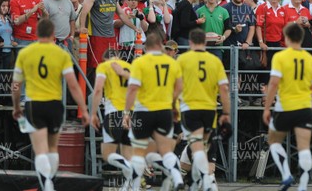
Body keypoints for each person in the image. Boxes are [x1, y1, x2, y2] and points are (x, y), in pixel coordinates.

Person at [12, 19, 89, 191]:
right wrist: (83, 109)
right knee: (53, 147)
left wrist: (16, 106)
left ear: (37, 33)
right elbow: (73, 84)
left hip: (34, 104)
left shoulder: (26, 53)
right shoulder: (61, 53)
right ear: (53, 33)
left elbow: (16, 85)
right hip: (54, 104)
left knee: (40, 149)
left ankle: (46, 182)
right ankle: (51, 181)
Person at [122, 33, 184, 191]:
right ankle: (177, 178)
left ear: (145, 47)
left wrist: (126, 112)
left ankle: (133, 187)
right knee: (166, 150)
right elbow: (180, 87)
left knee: (138, 151)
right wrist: (173, 103)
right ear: (161, 46)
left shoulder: (140, 62)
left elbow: (133, 88)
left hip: (144, 111)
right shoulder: (171, 63)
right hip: (165, 111)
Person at [263, 23, 312, 191]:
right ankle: (302, 186)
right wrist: (311, 108)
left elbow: (273, 83)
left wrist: (266, 108)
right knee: (304, 146)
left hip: (284, 107)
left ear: (286, 38)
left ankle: (286, 174)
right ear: (301, 38)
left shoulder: (280, 57)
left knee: (273, 141)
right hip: (304, 107)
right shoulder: (310, 59)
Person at [177, 28, 231, 191]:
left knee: (197, 144)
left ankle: (206, 180)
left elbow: (176, 86)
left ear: (191, 42)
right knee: (205, 143)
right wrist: (227, 113)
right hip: (209, 108)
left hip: (190, 108)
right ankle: (205, 178)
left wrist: (173, 107)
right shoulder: (214, 61)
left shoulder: (183, 59)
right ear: (205, 42)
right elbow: (224, 89)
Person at [90, 49, 137, 188]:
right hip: (132, 114)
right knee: (128, 153)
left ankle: (131, 169)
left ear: (105, 59)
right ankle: (131, 187)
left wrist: (93, 113)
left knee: (107, 154)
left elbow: (98, 89)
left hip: (114, 113)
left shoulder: (104, 66)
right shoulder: (130, 67)